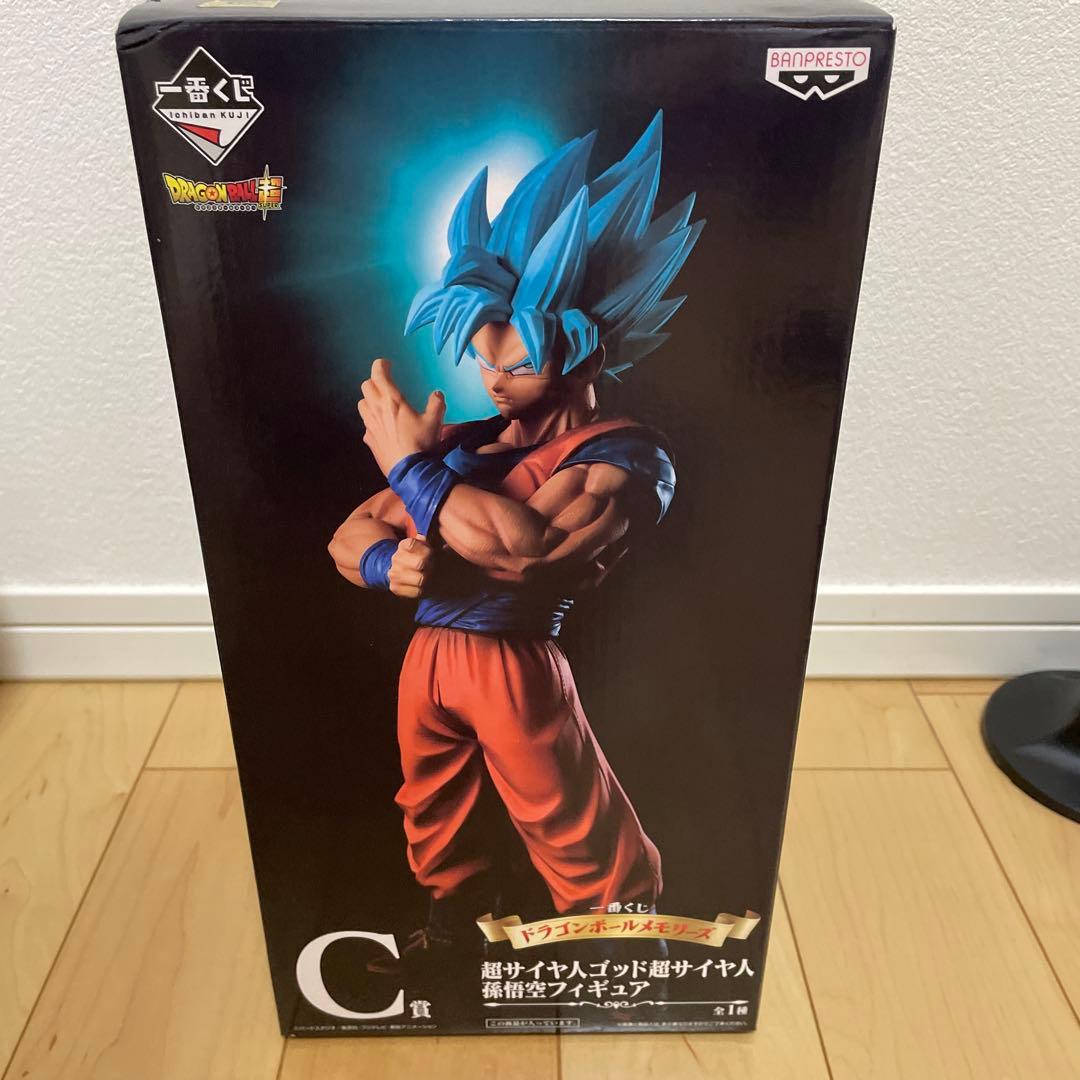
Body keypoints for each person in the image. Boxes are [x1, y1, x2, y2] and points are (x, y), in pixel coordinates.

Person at [328, 111, 702, 969]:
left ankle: (621, 959)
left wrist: (409, 469)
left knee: (568, 818)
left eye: (519, 365)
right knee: (432, 811)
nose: (495, 383)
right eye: (486, 361)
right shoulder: (466, 444)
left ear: (585, 357)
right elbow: (348, 536)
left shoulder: (623, 456)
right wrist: (389, 560)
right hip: (430, 657)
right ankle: (453, 942)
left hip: (512, 655)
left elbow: (526, 552)